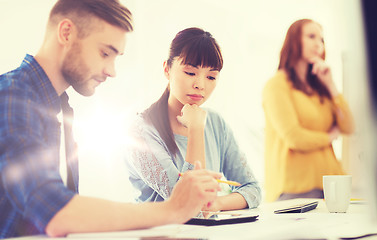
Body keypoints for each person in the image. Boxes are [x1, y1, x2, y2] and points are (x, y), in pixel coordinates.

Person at [0, 1, 222, 238]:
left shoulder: (60, 107)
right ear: (66, 33)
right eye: (105, 53)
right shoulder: (13, 96)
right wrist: (174, 208)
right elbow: (55, 212)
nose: (111, 71)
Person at [125, 27, 261, 212]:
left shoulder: (216, 123)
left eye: (211, 76)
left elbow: (252, 189)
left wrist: (216, 204)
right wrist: (196, 129)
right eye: (190, 73)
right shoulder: (140, 131)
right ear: (167, 69)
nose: (200, 85)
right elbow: (189, 204)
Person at [262, 19, 355, 202]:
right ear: (294, 40)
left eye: (321, 39)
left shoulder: (321, 88)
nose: (318, 44)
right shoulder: (277, 86)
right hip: (296, 188)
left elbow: (349, 126)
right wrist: (329, 137)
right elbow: (294, 137)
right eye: (311, 36)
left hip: (332, 185)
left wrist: (331, 85)